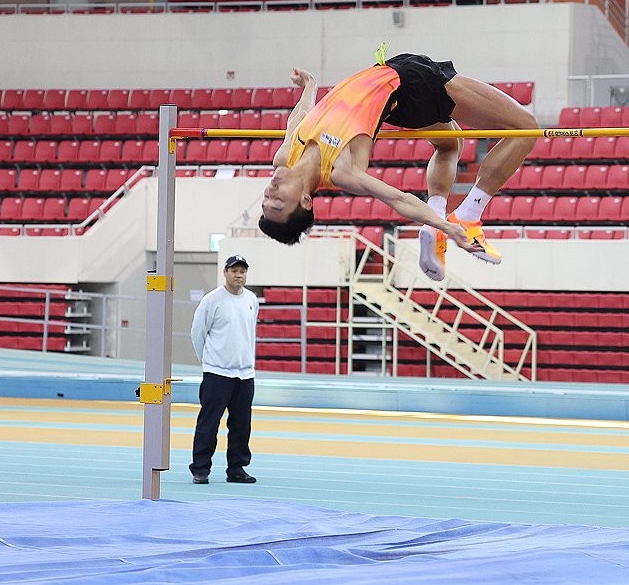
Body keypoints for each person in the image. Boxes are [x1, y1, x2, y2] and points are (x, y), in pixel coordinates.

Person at [258, 52, 538, 282]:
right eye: (279, 201)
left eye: (266, 199)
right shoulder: (342, 170)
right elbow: (398, 199)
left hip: (396, 94)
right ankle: (468, 214)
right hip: (413, 84)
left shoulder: (285, 158)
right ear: (306, 201)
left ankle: (437, 218)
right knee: (525, 127)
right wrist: (450, 228)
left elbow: (299, 117)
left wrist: (309, 86)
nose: (271, 190)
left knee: (450, 144)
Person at [188, 254, 260, 485]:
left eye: (243, 271)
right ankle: (201, 469)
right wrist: (208, 363)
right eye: (234, 270)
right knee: (209, 423)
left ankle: (236, 468)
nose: (239, 275)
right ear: (225, 272)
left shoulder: (251, 299)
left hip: (245, 374)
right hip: (217, 374)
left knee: (241, 425)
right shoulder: (212, 300)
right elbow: (197, 333)